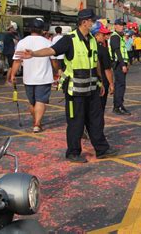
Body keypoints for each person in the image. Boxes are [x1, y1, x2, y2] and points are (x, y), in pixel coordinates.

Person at [15, 9, 117, 163]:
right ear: (84, 22)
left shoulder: (92, 40)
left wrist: (100, 81)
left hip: (92, 88)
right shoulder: (69, 39)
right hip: (74, 90)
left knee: (95, 120)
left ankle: (102, 149)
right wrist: (34, 54)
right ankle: (73, 152)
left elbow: (95, 62)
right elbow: (52, 50)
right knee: (76, 121)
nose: (94, 23)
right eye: (92, 21)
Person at [10, 18, 56, 133]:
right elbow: (54, 60)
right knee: (41, 100)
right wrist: (57, 71)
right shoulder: (47, 42)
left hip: (28, 78)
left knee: (32, 102)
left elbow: (17, 61)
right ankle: (37, 124)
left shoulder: (22, 42)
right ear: (42, 30)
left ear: (30, 29)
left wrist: (12, 75)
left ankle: (36, 121)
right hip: (44, 77)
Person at [91, 21, 114, 110]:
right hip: (101, 83)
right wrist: (111, 84)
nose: (105, 37)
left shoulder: (86, 47)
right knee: (99, 109)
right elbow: (107, 69)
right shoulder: (102, 50)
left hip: (87, 83)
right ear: (96, 35)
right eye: (103, 35)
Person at [109, 19, 130, 115]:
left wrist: (126, 63)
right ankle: (118, 106)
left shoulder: (119, 37)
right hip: (118, 64)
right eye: (120, 25)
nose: (122, 27)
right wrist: (122, 65)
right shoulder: (115, 37)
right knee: (120, 85)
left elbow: (123, 51)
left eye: (123, 25)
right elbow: (117, 52)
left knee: (121, 85)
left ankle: (119, 105)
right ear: (115, 26)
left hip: (121, 63)